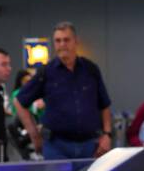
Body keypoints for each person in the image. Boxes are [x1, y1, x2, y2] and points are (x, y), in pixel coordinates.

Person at [13, 22, 113, 160]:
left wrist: (107, 135)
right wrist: (34, 134)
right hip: (56, 147)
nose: (62, 44)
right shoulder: (46, 72)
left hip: (90, 146)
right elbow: (19, 101)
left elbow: (104, 105)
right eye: (58, 41)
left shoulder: (90, 69)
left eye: (66, 40)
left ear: (76, 42)